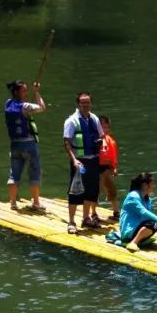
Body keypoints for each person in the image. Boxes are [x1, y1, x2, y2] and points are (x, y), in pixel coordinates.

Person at [63, 92, 104, 233]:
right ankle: (71, 221)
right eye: (83, 103)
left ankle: (86, 218)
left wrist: (101, 144)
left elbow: (101, 136)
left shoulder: (94, 119)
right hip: (80, 161)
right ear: (78, 104)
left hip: (94, 159)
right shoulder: (71, 121)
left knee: (92, 190)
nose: (86, 105)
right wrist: (74, 160)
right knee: (75, 190)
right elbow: (67, 142)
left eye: (88, 102)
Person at [4, 78, 46, 213]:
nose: (25, 93)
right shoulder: (25, 106)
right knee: (34, 171)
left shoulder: (8, 104)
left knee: (14, 174)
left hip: (14, 144)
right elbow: (42, 107)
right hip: (28, 144)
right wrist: (37, 92)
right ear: (17, 92)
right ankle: (36, 203)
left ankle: (13, 203)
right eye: (24, 91)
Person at [118, 172, 157, 250]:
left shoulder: (147, 199)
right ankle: (133, 243)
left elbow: (146, 217)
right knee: (155, 222)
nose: (154, 186)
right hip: (128, 233)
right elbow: (143, 212)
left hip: (136, 229)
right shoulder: (133, 196)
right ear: (145, 185)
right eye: (152, 184)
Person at [97, 115, 120, 220]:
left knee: (111, 190)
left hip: (106, 168)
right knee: (96, 190)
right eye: (102, 127)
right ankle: (93, 212)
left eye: (106, 127)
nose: (104, 129)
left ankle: (116, 211)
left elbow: (113, 156)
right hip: (96, 167)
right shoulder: (94, 139)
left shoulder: (110, 141)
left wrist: (114, 168)